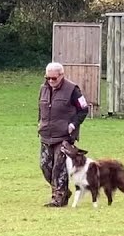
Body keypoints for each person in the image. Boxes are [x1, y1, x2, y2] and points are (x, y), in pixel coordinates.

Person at [38, 61, 90, 207]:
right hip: (46, 135)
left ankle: (59, 199)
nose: (50, 81)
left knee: (59, 168)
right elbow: (41, 108)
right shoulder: (43, 89)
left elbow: (83, 109)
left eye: (54, 78)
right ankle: (63, 191)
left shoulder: (73, 90)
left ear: (61, 75)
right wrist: (39, 122)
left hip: (63, 136)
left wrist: (73, 124)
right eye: (48, 78)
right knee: (45, 167)